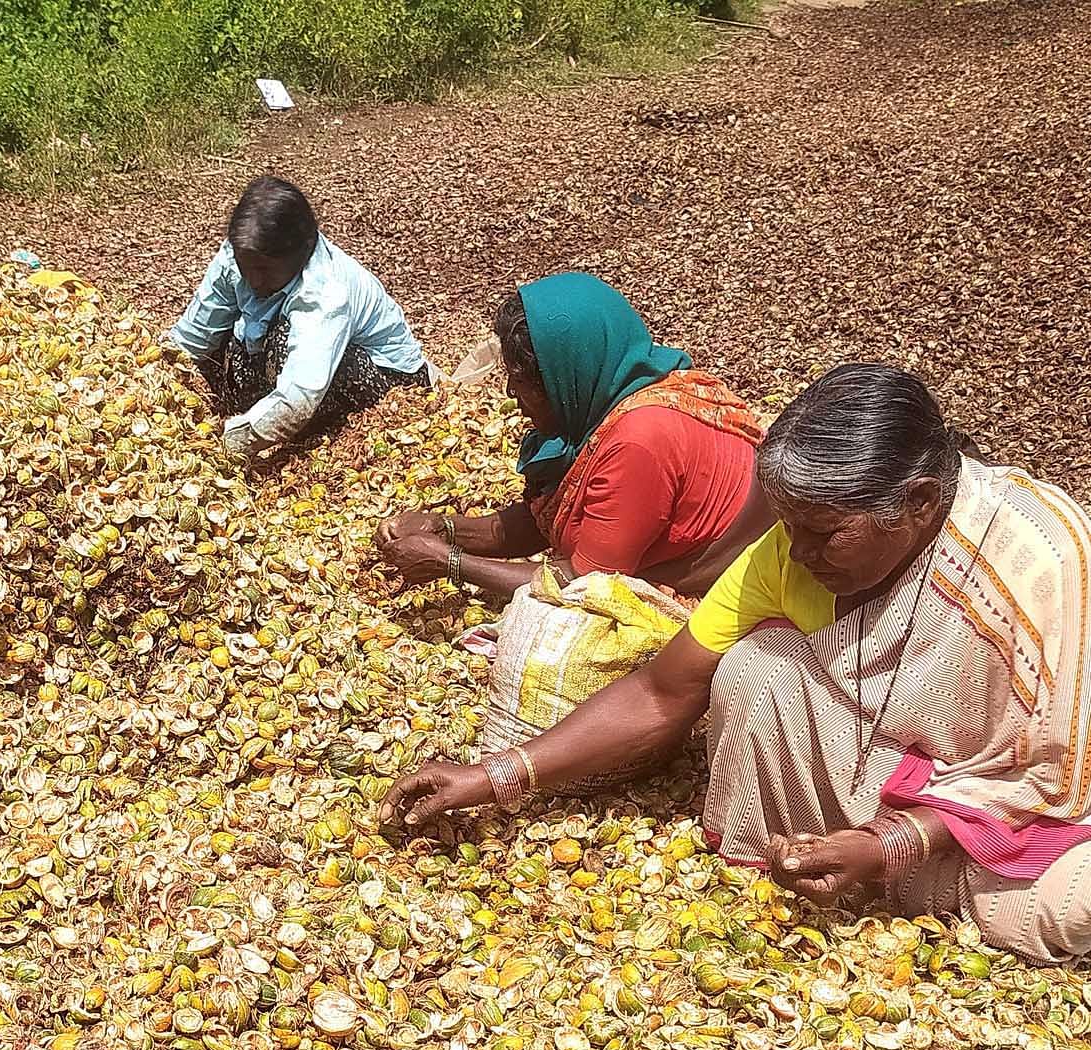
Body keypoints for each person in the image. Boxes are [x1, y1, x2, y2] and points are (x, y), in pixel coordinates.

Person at [380, 363, 1091, 965]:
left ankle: (890, 872)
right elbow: (662, 691)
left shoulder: (1038, 558)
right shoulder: (790, 553)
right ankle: (856, 868)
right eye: (788, 527)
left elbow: (1057, 773)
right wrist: (494, 775)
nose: (798, 552)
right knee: (757, 665)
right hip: (886, 773)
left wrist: (892, 843)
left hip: (1017, 812)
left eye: (824, 534)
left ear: (919, 504)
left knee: (1074, 901)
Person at [374, 273, 768, 601]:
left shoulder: (638, 441)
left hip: (717, 592)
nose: (512, 395)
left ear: (566, 378)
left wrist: (450, 562)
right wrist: (446, 528)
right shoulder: (608, 400)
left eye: (524, 383)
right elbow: (542, 523)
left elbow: (585, 585)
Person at [168, 176, 431, 462]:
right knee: (216, 347)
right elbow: (192, 338)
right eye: (247, 266)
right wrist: (157, 378)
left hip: (385, 381)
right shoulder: (237, 255)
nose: (254, 279)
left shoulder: (325, 292)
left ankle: (310, 436)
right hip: (302, 370)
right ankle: (257, 416)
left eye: (266, 269)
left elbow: (298, 398)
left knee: (282, 341)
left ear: (301, 253)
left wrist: (224, 446)